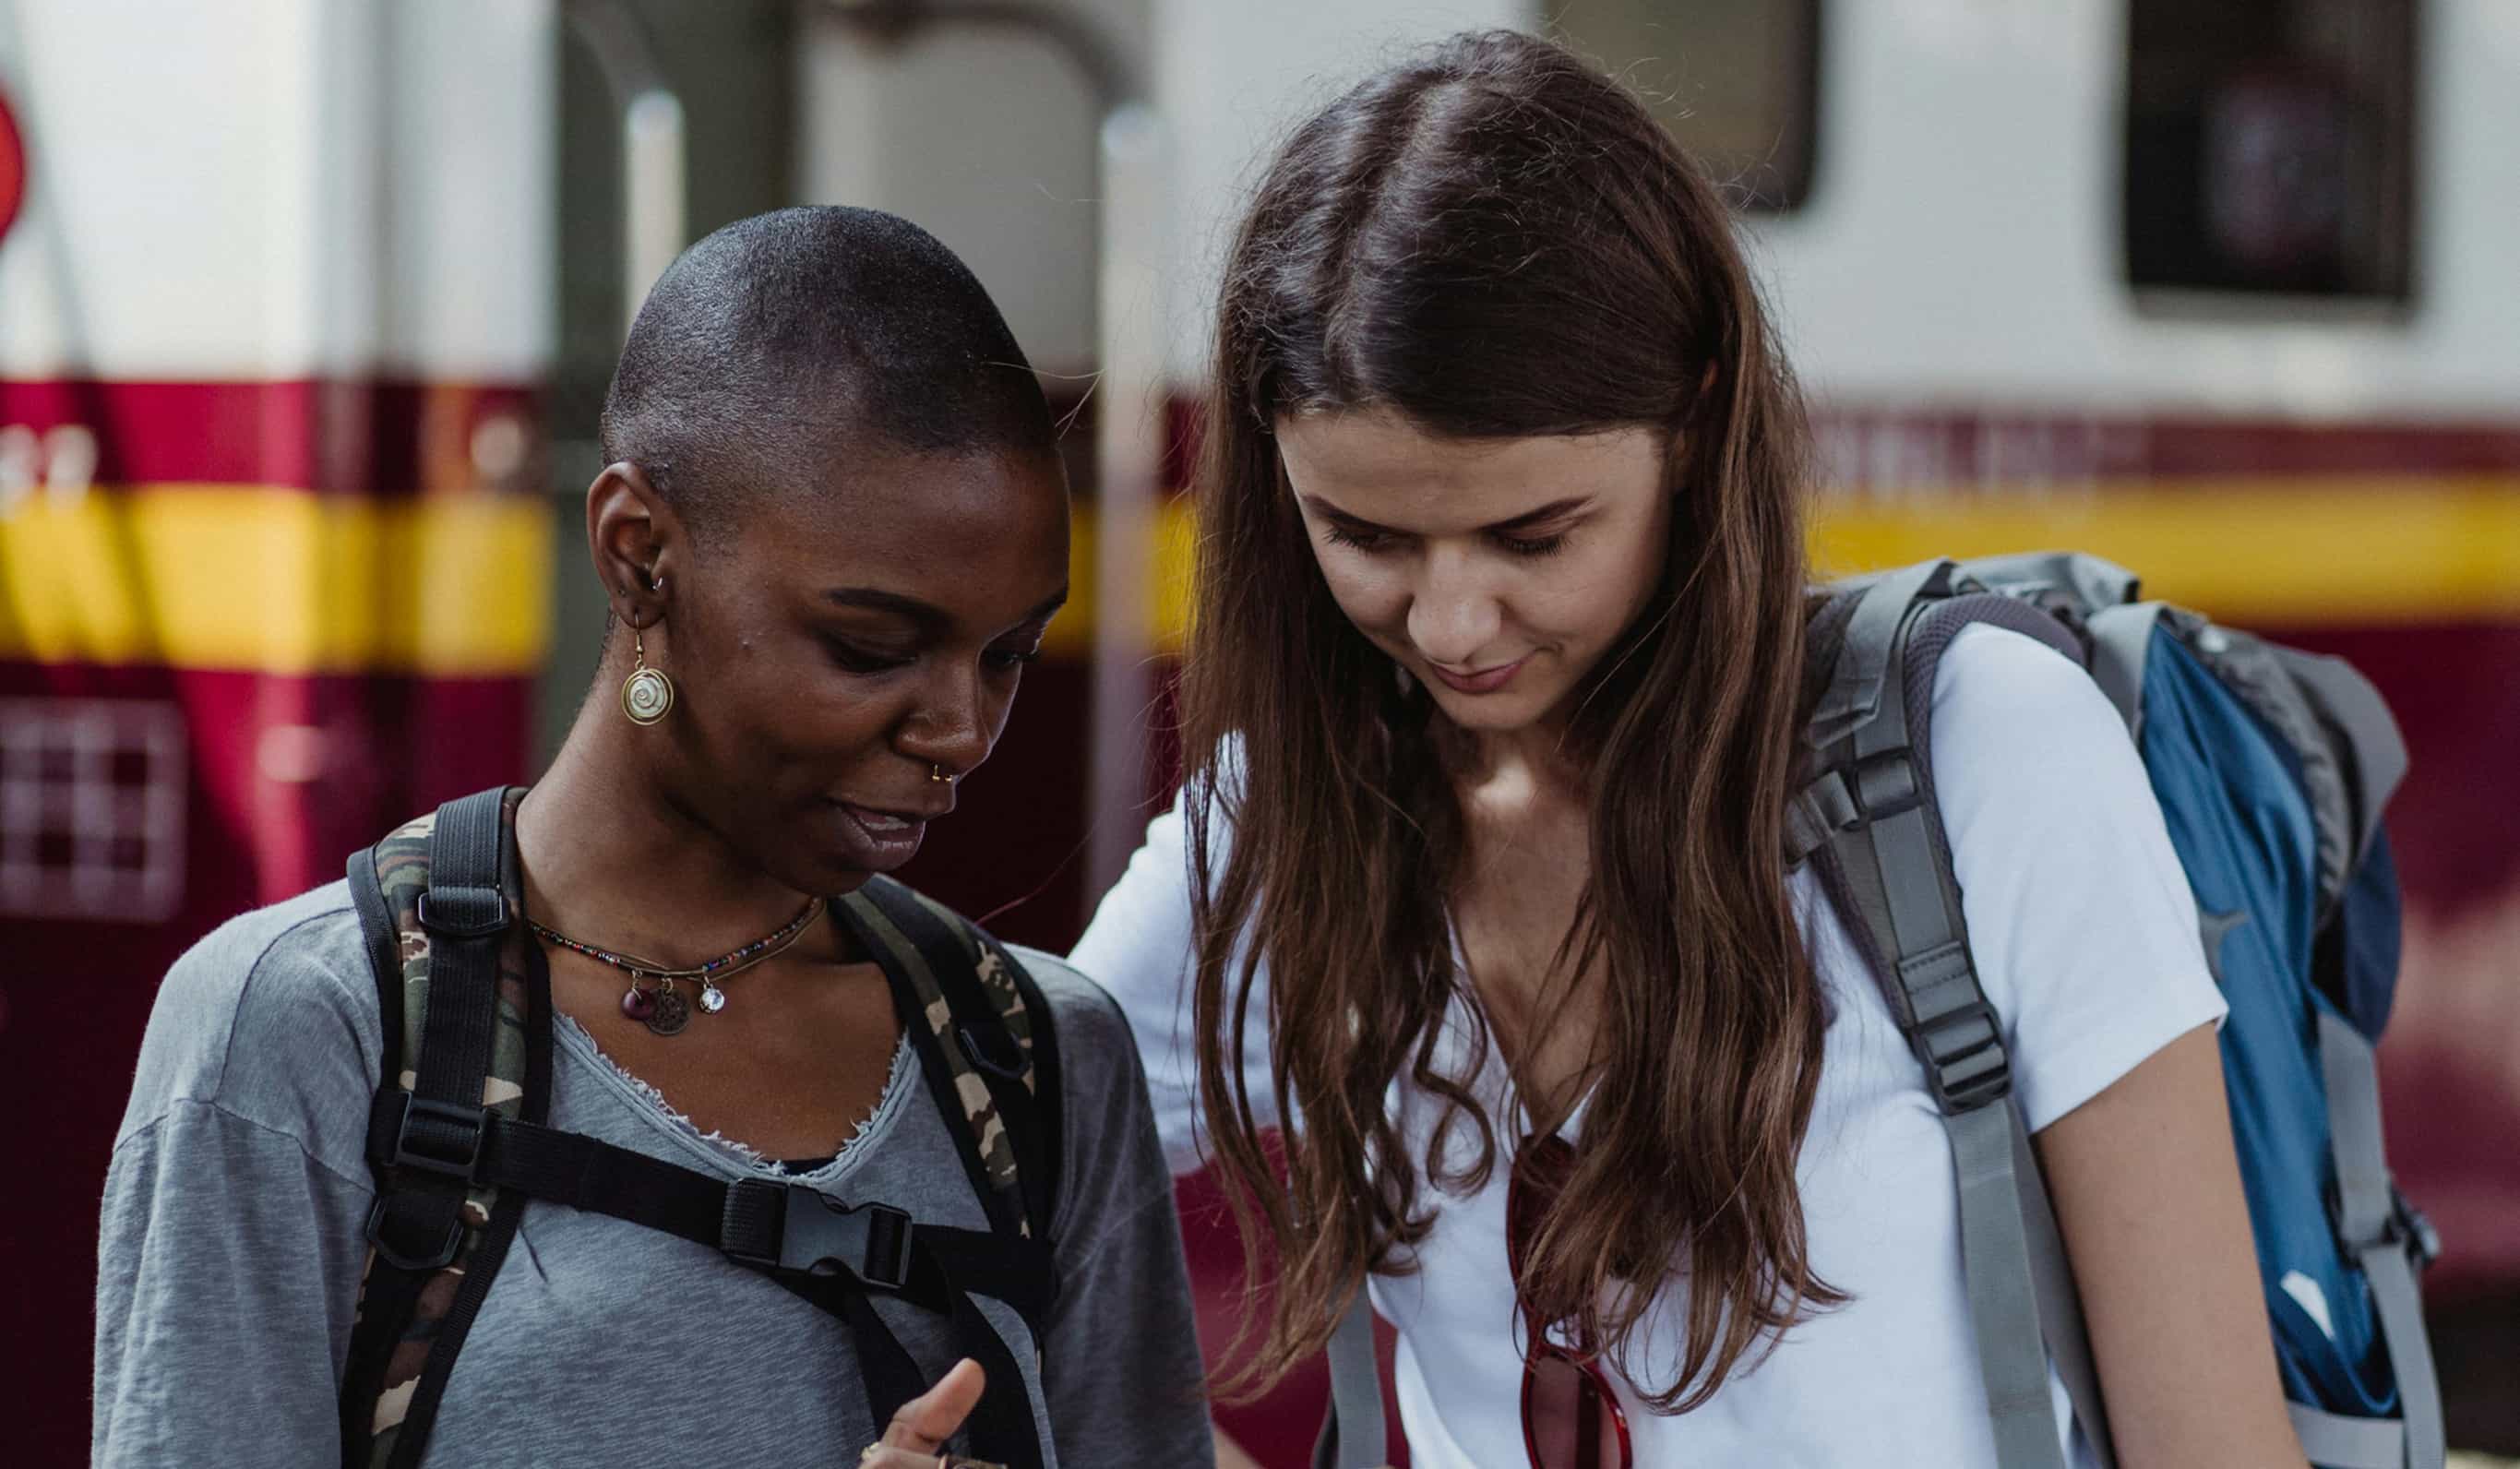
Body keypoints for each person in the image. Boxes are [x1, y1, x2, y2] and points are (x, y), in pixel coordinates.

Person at [1073, 31, 2303, 1469]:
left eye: (1537, 537)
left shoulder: (1982, 755)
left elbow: (2209, 1442)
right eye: (1365, 538)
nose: (1454, 621)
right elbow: (994, 1162)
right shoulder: (1282, 830)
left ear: (1699, 417)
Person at [95, 207, 1213, 1469]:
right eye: (871, 647)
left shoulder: (1043, 1060)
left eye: (1008, 654)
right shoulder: (311, 1030)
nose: (960, 728)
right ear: (639, 555)